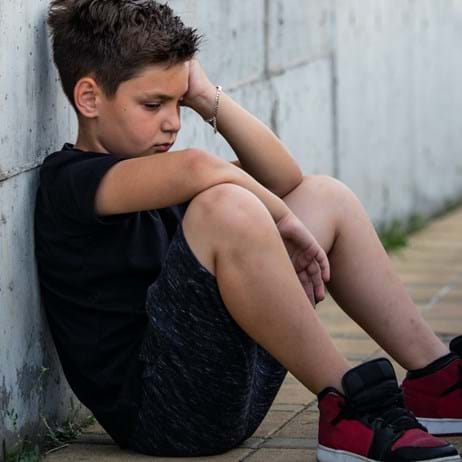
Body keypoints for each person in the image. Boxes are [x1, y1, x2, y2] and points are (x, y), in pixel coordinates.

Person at [33, 1, 462, 460]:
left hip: (231, 383)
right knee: (227, 202)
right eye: (154, 104)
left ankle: (436, 376)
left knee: (324, 195)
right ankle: (352, 406)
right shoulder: (70, 180)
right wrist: (278, 218)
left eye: (179, 103)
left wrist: (203, 94)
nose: (173, 122)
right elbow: (199, 169)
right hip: (164, 414)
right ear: (90, 98)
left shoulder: (162, 172)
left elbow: (284, 179)